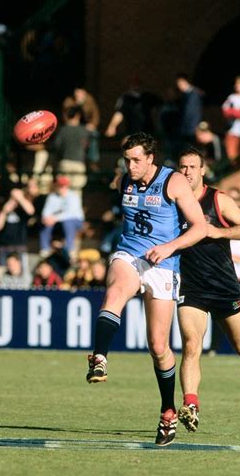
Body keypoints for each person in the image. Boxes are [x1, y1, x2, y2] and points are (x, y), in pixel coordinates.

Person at [87, 132, 207, 447]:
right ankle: (100, 357)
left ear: (151, 158)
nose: (131, 165)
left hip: (164, 264)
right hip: (130, 254)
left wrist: (169, 248)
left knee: (158, 346)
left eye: (137, 159)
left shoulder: (173, 182)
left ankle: (168, 410)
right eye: (127, 159)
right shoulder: (123, 180)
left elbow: (200, 227)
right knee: (115, 291)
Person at [176, 148, 240, 434]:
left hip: (223, 286)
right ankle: (191, 405)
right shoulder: (173, 203)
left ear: (203, 170)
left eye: (193, 167)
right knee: (192, 345)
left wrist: (220, 232)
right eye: (183, 167)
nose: (187, 172)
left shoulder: (217, 199)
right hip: (190, 286)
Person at [39, 176, 84, 258]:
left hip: (75, 221)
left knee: (68, 222)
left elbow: (70, 214)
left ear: (67, 186)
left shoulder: (73, 196)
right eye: (60, 185)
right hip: (57, 222)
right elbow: (46, 212)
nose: (62, 188)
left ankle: (69, 249)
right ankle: (45, 248)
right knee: (45, 222)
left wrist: (54, 218)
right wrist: (47, 218)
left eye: (64, 185)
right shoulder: (52, 197)